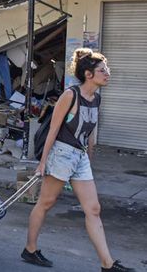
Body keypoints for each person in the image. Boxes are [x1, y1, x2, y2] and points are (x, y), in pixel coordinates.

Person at [21, 48, 135, 271]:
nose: (107, 73)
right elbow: (53, 129)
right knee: (45, 203)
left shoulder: (96, 99)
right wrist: (42, 163)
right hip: (62, 153)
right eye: (102, 70)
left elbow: (90, 132)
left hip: (79, 157)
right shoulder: (70, 95)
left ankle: (107, 265)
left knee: (93, 209)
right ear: (88, 75)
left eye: (107, 69)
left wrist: (89, 158)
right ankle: (30, 249)